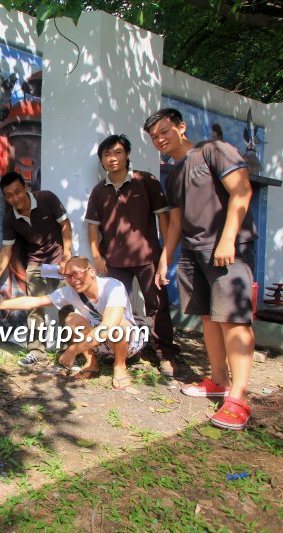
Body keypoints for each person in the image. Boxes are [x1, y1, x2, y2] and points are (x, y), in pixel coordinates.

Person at [143, 108, 257, 430]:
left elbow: (242, 190)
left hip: (227, 249)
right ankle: (219, 381)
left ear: (181, 127)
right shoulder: (174, 174)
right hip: (194, 254)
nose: (160, 139)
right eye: (154, 137)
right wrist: (166, 258)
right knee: (209, 319)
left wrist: (228, 239)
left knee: (233, 320)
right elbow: (176, 222)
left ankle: (238, 397)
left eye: (164, 131)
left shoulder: (212, 150)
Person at [86, 134, 180, 377]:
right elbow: (93, 227)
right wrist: (97, 256)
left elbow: (164, 219)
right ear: (102, 160)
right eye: (106, 154)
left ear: (127, 154)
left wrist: (165, 255)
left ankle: (165, 354)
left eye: (117, 152)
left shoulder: (145, 181)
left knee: (157, 307)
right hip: (114, 262)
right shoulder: (99, 191)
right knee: (117, 309)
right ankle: (127, 352)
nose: (112, 158)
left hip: (148, 258)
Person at [0, 257, 146, 389]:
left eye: (77, 273)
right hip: (98, 346)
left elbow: (107, 328)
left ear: (92, 271)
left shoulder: (113, 286)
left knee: (119, 325)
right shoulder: (70, 292)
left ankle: (119, 366)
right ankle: (91, 364)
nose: (73, 280)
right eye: (68, 276)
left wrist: (73, 350)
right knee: (72, 318)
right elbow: (34, 302)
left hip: (127, 345)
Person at [0, 171, 73, 368]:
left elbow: (65, 225)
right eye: (9, 195)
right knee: (34, 308)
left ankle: (68, 351)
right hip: (36, 264)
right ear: (5, 197)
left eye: (18, 192)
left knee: (65, 306)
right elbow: (6, 248)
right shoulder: (9, 219)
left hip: (58, 262)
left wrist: (67, 257)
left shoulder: (47, 198)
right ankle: (36, 351)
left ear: (25, 188)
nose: (15, 198)